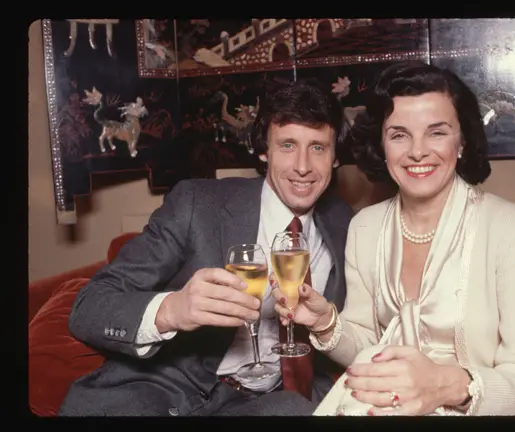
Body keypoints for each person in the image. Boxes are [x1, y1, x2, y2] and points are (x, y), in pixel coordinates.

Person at [272, 61, 515, 416]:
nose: (417, 151)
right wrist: (325, 323)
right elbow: (368, 348)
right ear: (382, 145)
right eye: (399, 134)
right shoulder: (365, 227)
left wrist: (441, 387)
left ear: (462, 142)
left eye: (437, 132)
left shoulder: (509, 227)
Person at [58, 79, 355, 416]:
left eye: (318, 147)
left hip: (264, 404)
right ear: (263, 151)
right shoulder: (197, 204)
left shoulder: (347, 225)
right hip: (160, 390)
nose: (303, 166)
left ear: (334, 158)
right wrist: (173, 310)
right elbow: (89, 307)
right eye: (287, 145)